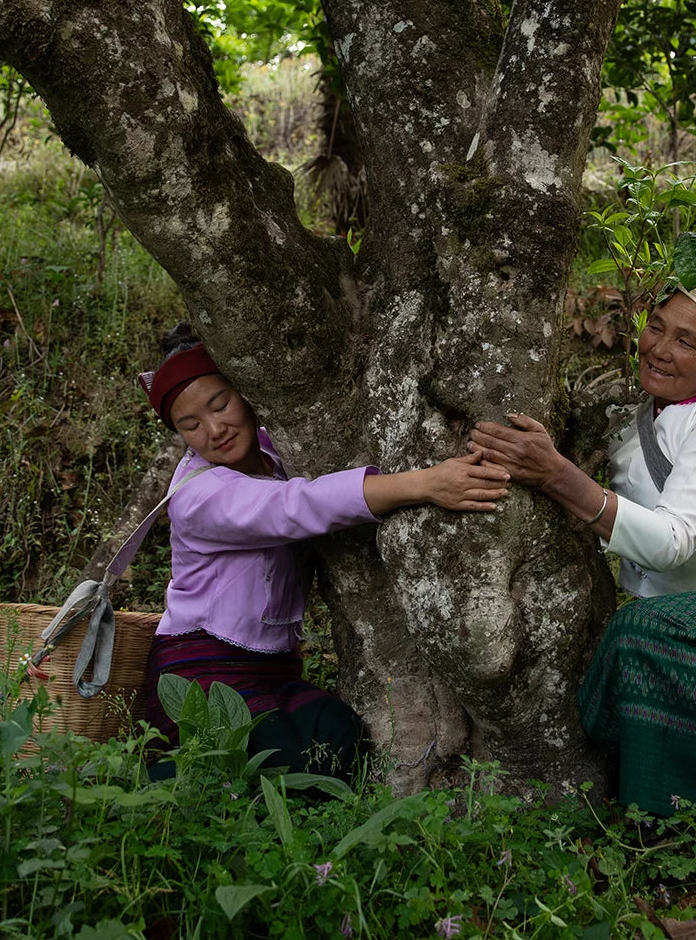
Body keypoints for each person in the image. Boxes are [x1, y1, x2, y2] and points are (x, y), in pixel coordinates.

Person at [469, 269, 696, 823]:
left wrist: (557, 476)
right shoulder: (631, 423)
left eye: (686, 341)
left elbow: (671, 543)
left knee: (640, 632)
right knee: (629, 656)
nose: (660, 349)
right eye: (657, 327)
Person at [138, 323, 510, 781]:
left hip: (273, 671)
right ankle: (169, 790)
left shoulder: (277, 451)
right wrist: (426, 483)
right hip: (202, 670)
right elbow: (297, 506)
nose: (215, 430)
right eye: (190, 424)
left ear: (245, 391)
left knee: (335, 736)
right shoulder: (198, 497)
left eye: (221, 405)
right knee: (265, 761)